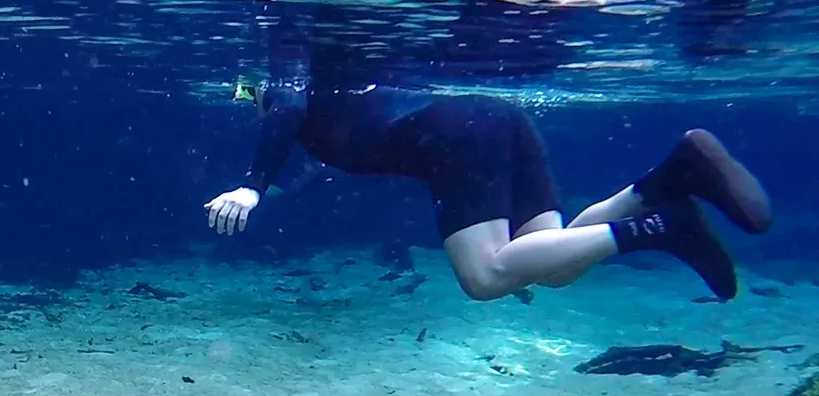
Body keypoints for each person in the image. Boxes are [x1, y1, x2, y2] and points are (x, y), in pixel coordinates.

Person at [205, 7, 773, 302]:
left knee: (484, 277)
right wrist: (271, 180)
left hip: (459, 136)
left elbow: (286, 102)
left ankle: (661, 225)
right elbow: (298, 138)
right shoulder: (342, 86)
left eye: (245, 91)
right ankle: (670, 177)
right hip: (494, 117)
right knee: (549, 268)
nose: (248, 99)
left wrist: (250, 184)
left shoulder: (291, 57)